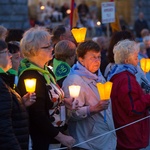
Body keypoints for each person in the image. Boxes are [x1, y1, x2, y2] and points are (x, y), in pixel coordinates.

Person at [17, 26, 75, 150]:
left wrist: (64, 101)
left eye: (51, 45)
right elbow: (37, 114)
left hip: (56, 134)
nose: (52, 48)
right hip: (45, 139)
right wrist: (61, 137)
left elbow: (49, 99)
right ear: (34, 50)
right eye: (47, 46)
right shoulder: (31, 75)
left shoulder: (46, 71)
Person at [62, 40, 117, 150]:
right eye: (93, 57)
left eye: (99, 57)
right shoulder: (74, 81)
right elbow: (71, 114)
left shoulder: (98, 76)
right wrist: (93, 109)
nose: (97, 61)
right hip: (88, 142)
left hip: (104, 139)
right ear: (81, 59)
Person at [107, 39, 150, 150]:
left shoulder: (116, 73)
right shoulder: (126, 78)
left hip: (124, 129)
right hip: (131, 131)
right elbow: (133, 108)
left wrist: (142, 95)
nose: (138, 60)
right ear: (127, 60)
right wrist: (148, 98)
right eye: (136, 57)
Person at [0, 40, 36, 150]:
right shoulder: (1, 85)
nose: (10, 56)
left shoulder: (5, 81)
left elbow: (7, 112)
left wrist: (20, 104)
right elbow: (3, 127)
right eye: (6, 52)